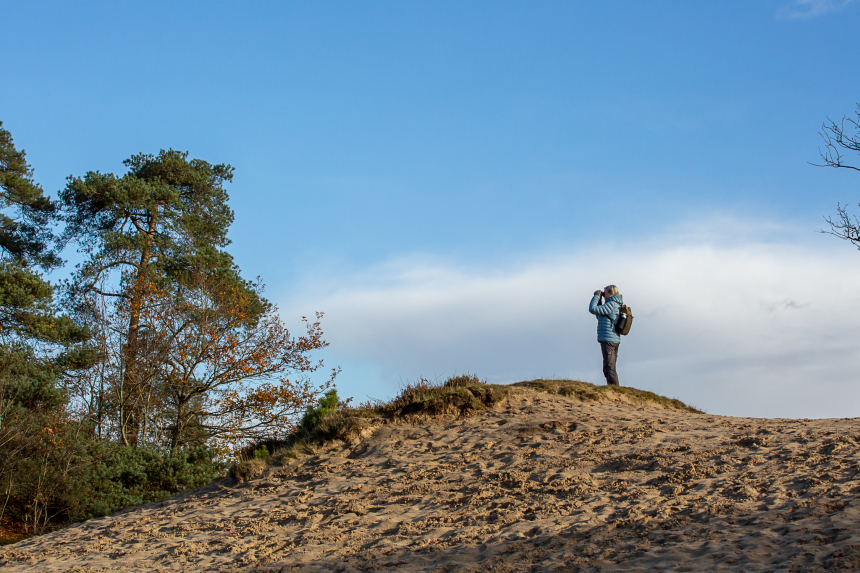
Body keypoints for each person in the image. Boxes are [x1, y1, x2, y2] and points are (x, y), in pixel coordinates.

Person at [588, 285, 623, 386]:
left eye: (605, 293)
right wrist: (599, 300)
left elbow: (592, 309)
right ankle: (613, 389)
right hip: (612, 339)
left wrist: (596, 296)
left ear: (610, 293)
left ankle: (615, 391)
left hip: (609, 339)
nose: (603, 295)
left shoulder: (611, 304)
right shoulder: (614, 304)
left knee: (609, 368)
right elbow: (599, 314)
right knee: (609, 367)